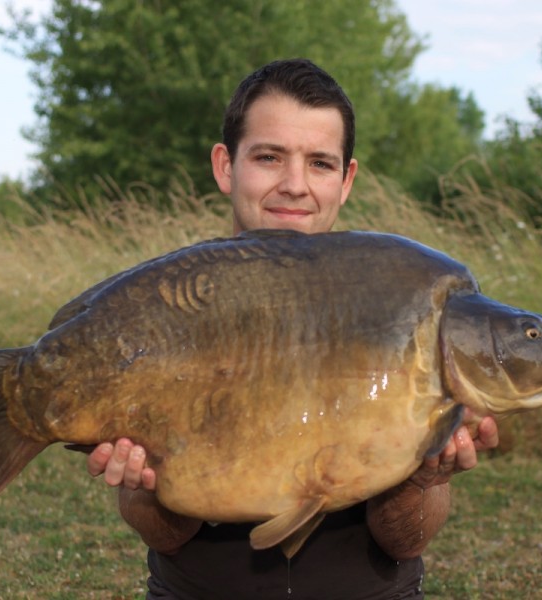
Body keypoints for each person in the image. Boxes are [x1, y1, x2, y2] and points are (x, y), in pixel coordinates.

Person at [85, 58, 499, 599]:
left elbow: (402, 541)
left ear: (346, 179)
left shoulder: (399, 306)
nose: (295, 186)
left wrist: (427, 475)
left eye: (321, 163)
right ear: (226, 166)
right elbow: (169, 534)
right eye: (269, 157)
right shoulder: (166, 308)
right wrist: (142, 488)